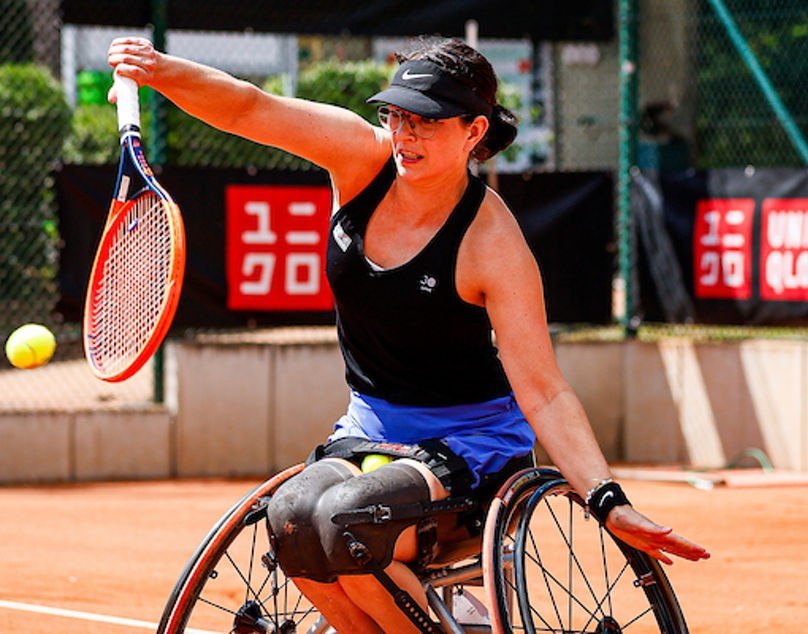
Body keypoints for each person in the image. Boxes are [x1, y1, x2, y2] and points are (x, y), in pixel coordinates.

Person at [108, 35, 709, 633]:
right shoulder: (358, 160)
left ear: (474, 131)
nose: (405, 133)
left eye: (427, 121)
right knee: (291, 517)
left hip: (473, 448)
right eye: (396, 115)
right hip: (369, 430)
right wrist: (158, 69)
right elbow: (249, 107)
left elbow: (545, 391)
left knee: (348, 523)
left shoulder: (493, 244)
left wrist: (607, 499)